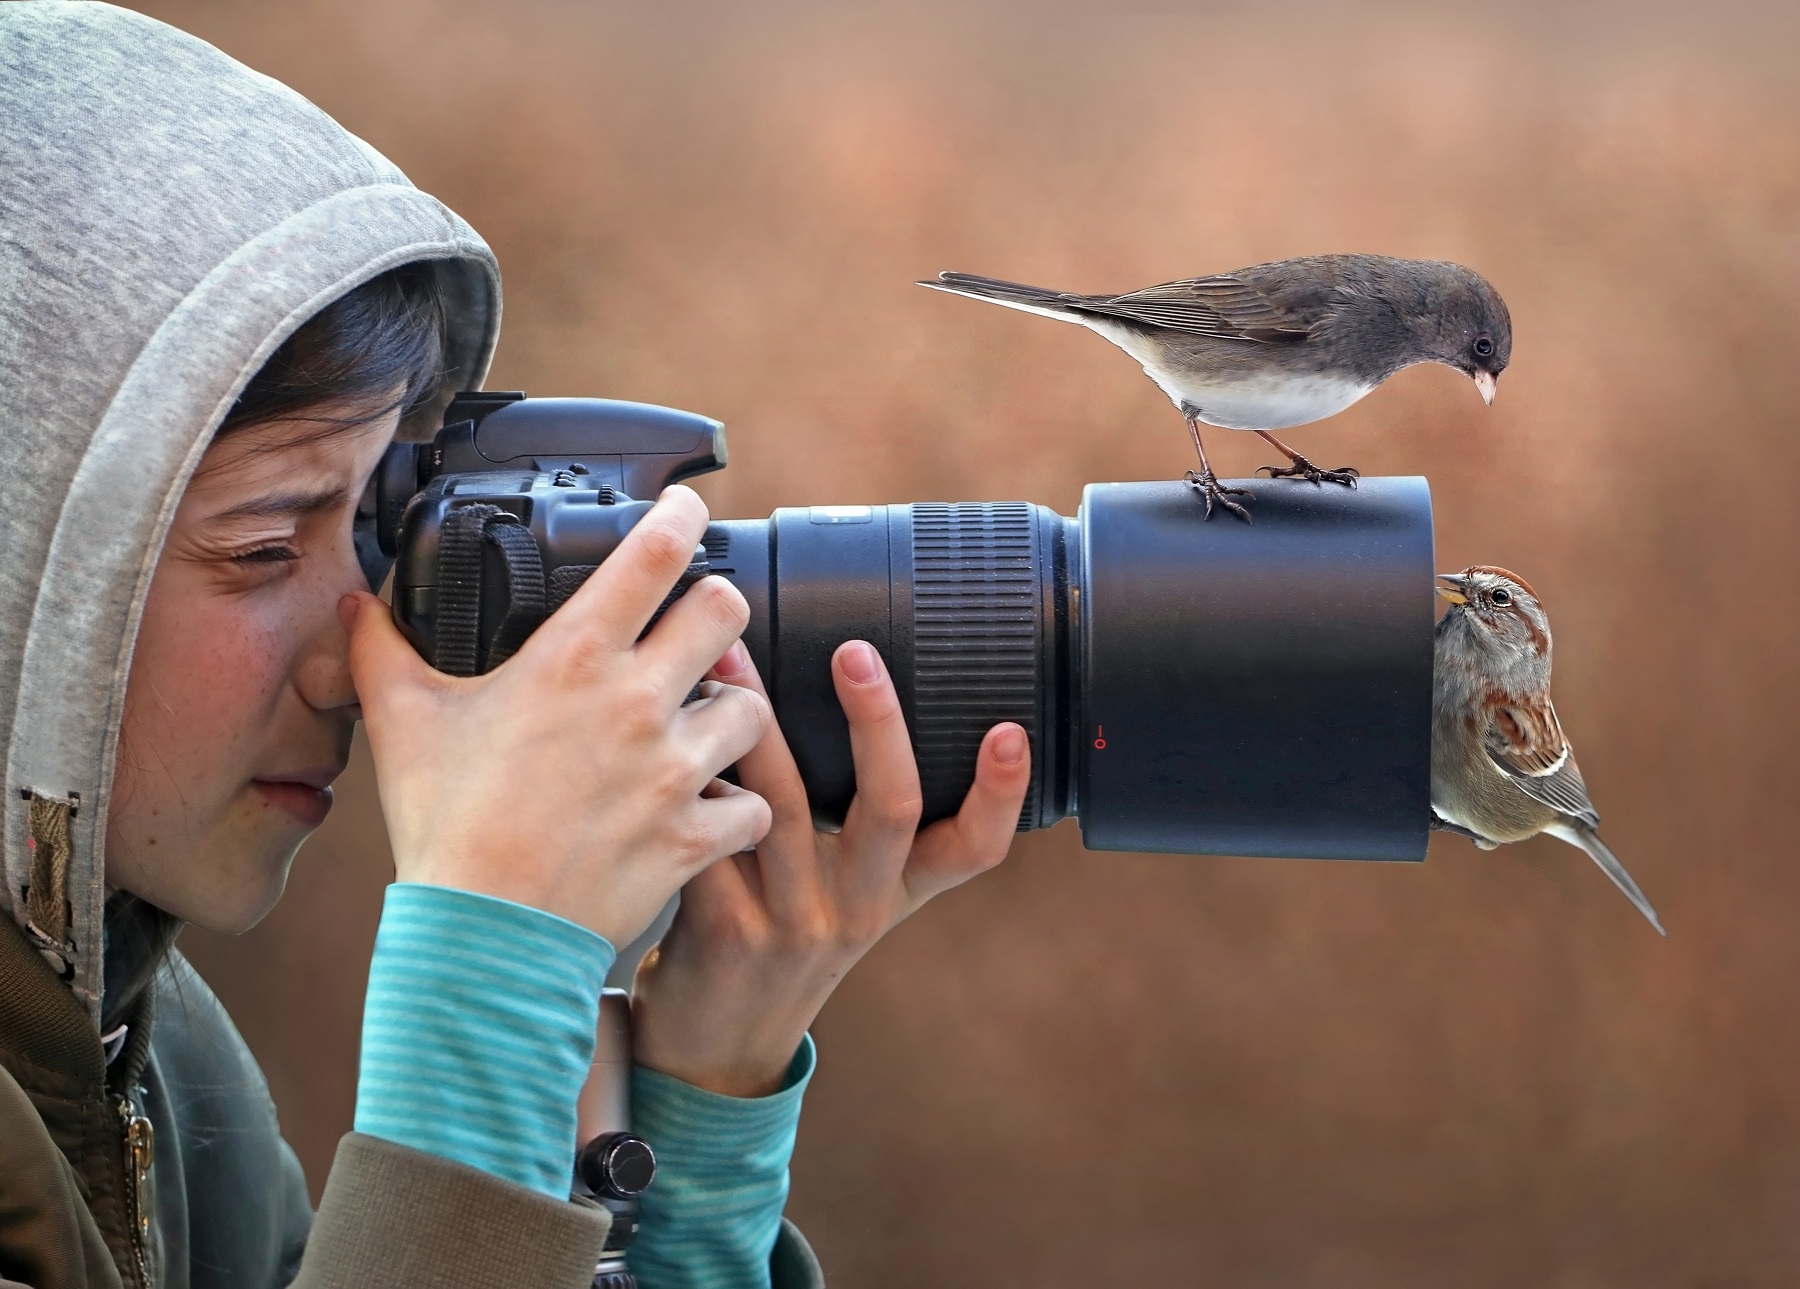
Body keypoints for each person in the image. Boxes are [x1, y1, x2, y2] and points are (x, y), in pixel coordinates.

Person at [0, 7, 1030, 1288]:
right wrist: (485, 972)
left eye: (375, 528)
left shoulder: (135, 1049)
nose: (357, 663)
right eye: (265, 548)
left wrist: (701, 1107)